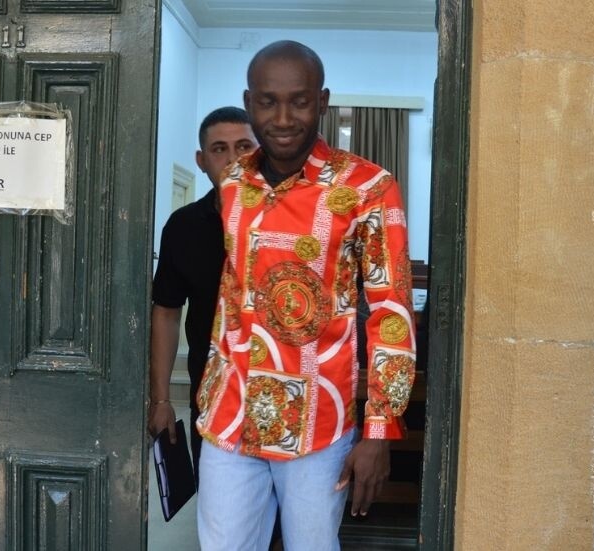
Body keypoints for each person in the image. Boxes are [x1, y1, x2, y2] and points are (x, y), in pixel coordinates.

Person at [195, 40, 417, 551]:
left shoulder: (368, 187)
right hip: (231, 412)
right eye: (268, 102)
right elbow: (233, 294)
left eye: (299, 101)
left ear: (322, 101)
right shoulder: (232, 183)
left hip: (320, 422)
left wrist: (379, 429)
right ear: (249, 103)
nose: (283, 118)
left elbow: (391, 310)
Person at [148, 106, 258, 486]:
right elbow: (166, 312)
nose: (233, 159)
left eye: (244, 147)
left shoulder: (294, 221)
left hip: (283, 393)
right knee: (218, 505)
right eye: (219, 149)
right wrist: (161, 400)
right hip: (211, 395)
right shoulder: (183, 227)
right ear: (202, 160)